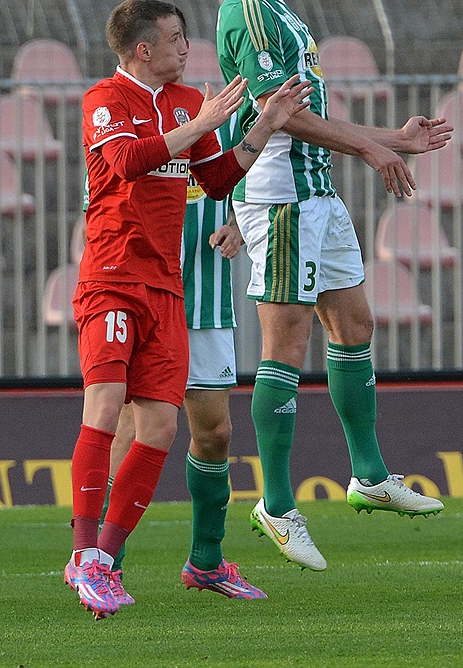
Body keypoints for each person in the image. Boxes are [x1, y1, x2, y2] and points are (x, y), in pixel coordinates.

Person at [216, 0, 454, 572]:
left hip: (316, 193)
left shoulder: (285, 13)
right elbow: (281, 120)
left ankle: (369, 474)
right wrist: (374, 153)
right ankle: (277, 503)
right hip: (282, 196)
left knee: (355, 324)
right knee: (286, 343)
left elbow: (311, 116)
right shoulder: (250, 11)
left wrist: (393, 138)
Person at [64, 0, 311, 619]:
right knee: (105, 404)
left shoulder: (180, 105)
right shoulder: (105, 100)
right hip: (113, 279)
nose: (186, 47)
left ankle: (107, 561)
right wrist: (202, 123)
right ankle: (84, 553)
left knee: (163, 428)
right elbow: (123, 163)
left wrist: (265, 126)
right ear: (143, 48)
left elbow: (220, 178)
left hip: (166, 286)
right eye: (176, 38)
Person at [100, 112, 267, 600]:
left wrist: (241, 220)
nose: (182, 50)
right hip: (148, 297)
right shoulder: (128, 126)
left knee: (216, 433)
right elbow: (105, 202)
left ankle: (206, 562)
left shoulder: (227, 123)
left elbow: (255, 181)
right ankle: (106, 563)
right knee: (130, 430)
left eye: (184, 39)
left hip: (206, 298)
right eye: (173, 38)